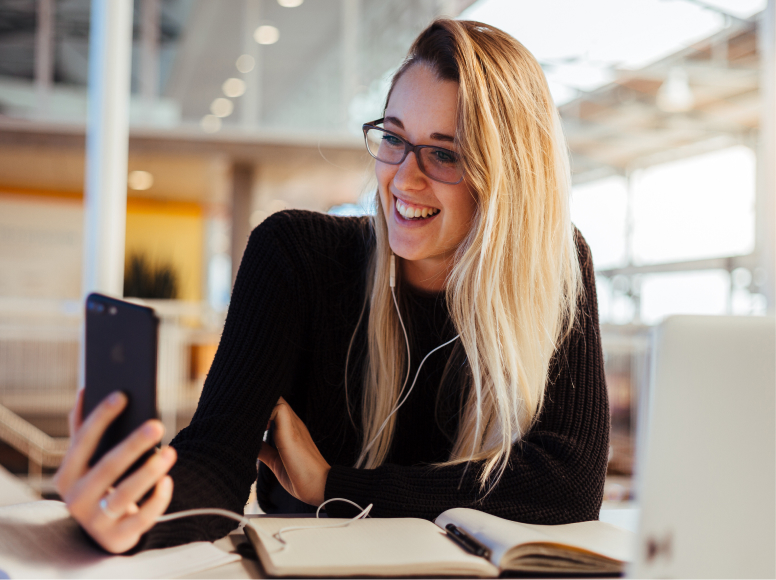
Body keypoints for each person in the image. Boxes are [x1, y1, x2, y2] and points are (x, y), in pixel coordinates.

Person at [54, 18, 609, 554]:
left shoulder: (554, 266)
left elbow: (568, 483)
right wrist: (138, 509)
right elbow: (216, 459)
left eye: (444, 154)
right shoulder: (295, 255)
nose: (403, 177)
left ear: (509, 177)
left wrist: (333, 486)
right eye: (393, 138)